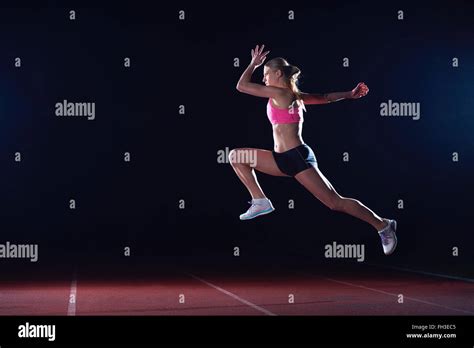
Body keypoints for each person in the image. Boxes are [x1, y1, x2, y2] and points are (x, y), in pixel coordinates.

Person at [231, 44, 397, 255]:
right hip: (280, 158)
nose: (263, 79)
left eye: (265, 74)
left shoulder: (281, 93)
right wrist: (348, 93)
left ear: (278, 73)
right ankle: (260, 200)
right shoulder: (294, 95)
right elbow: (325, 97)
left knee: (334, 202)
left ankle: (383, 225)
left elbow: (241, 86)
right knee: (236, 156)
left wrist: (253, 64)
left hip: (297, 158)